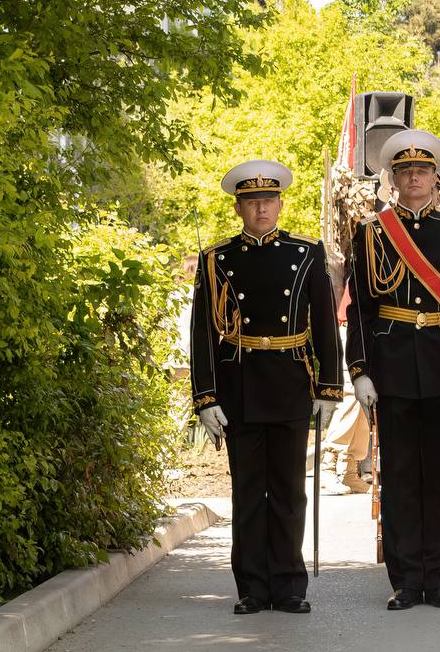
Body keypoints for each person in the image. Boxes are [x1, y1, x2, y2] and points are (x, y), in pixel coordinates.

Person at [190, 160, 342, 615]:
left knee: (290, 490)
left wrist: (329, 389)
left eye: (269, 201)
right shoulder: (217, 259)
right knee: (249, 493)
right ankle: (252, 588)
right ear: (239, 207)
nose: (262, 209)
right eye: (253, 202)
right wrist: (205, 397)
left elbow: (326, 327)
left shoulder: (307, 253)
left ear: (280, 204)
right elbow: (201, 333)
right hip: (240, 386)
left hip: (291, 384)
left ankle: (290, 586)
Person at [346, 130, 440, 611]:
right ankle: (406, 579)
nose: (413, 178)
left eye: (421, 171)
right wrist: (360, 370)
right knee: (401, 477)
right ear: (394, 179)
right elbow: (361, 309)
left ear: (435, 178)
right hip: (392, 368)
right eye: (405, 171)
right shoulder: (371, 232)